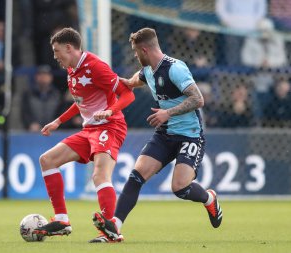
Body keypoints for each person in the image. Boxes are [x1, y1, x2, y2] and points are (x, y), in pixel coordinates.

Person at [92, 28, 223, 242]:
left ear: (145, 49)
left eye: (136, 52)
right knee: (136, 176)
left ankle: (209, 198)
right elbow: (135, 80)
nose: (135, 56)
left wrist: (168, 113)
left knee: (179, 188)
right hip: (165, 134)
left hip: (189, 135)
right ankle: (114, 227)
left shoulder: (175, 69)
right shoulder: (148, 71)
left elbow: (198, 99)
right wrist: (115, 82)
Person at [32, 27, 135, 243]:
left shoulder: (95, 66)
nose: (55, 56)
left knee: (99, 175)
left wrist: (110, 110)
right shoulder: (72, 70)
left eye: (56, 51)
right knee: (47, 160)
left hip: (110, 126)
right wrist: (58, 121)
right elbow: (81, 102)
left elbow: (127, 94)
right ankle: (61, 220)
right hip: (89, 130)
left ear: (69, 48)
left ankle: (110, 230)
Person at [21, 65, 62, 132]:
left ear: (51, 77)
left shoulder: (57, 95)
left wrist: (55, 124)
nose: (43, 77)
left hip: (53, 131)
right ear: (36, 77)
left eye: (46, 75)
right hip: (33, 132)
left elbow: (60, 112)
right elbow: (25, 112)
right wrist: (31, 124)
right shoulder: (28, 94)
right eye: (40, 75)